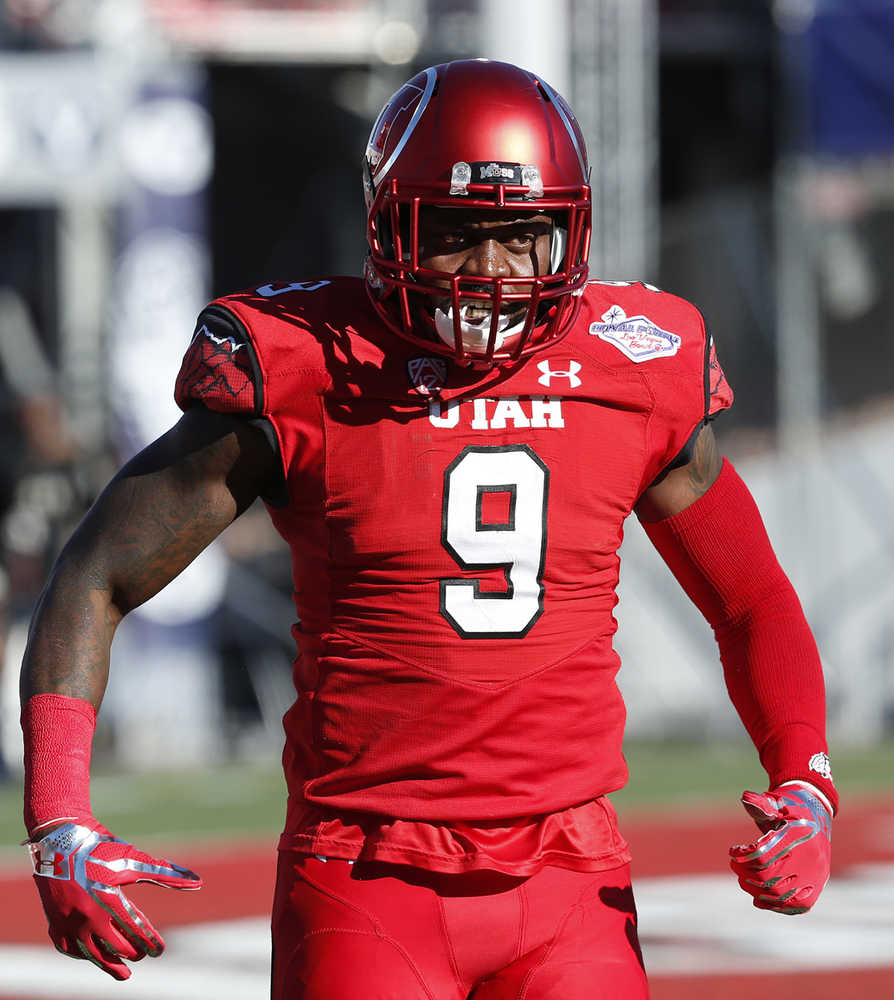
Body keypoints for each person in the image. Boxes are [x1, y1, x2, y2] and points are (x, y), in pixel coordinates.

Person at [20, 59, 836, 999]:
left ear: (568, 230)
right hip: (368, 874)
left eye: (523, 234)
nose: (492, 273)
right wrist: (60, 821)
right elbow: (95, 577)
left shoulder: (635, 364)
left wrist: (805, 779)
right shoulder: (308, 364)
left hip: (573, 877)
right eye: (457, 234)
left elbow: (751, 597)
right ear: (389, 224)